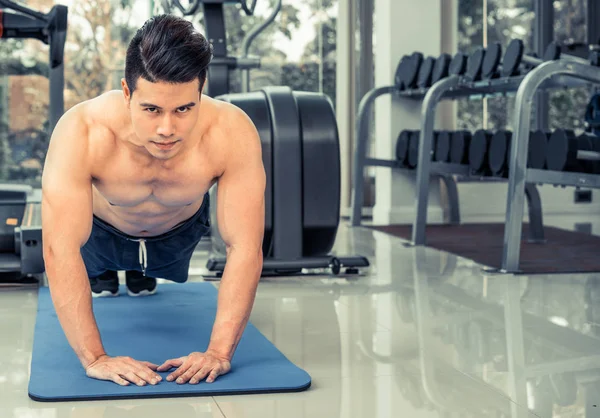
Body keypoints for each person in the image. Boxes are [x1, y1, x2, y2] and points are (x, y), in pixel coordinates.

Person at [41, 14, 266, 387]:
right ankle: (115, 270)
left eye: (183, 109)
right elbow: (60, 248)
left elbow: (244, 246)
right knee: (95, 275)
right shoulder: (82, 130)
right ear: (127, 93)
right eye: (151, 109)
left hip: (178, 234)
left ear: (200, 91)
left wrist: (218, 353)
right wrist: (95, 358)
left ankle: (139, 272)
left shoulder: (231, 131)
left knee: (146, 280)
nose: (167, 129)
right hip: (100, 232)